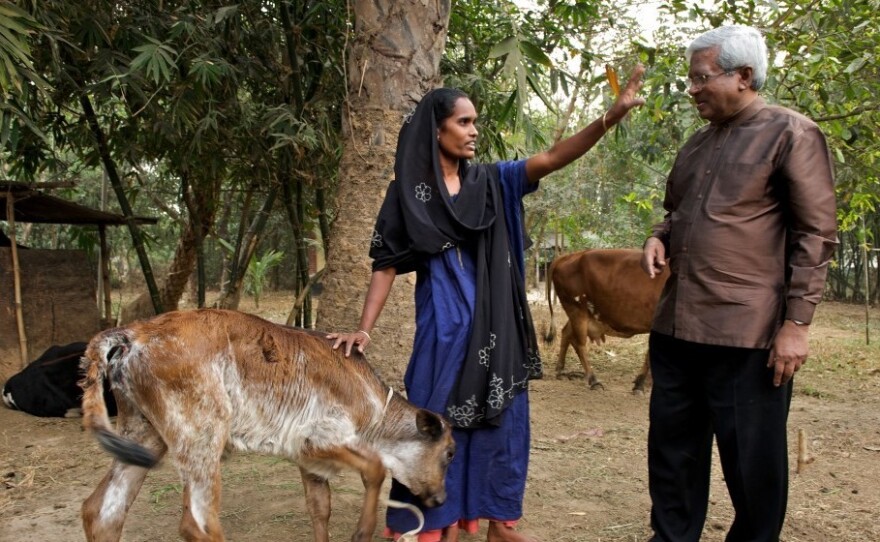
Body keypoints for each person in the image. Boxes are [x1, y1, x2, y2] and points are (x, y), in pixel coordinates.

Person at [328, 66, 645, 542]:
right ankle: (426, 523)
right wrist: (364, 328)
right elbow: (386, 264)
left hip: (500, 331)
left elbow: (555, 156)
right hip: (443, 331)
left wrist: (610, 117)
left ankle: (495, 520)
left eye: (475, 122)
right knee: (433, 426)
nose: (474, 131)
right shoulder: (410, 196)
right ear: (436, 129)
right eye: (464, 122)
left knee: (501, 426)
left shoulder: (494, 182)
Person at [640, 25, 838, 542]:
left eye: (702, 78)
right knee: (671, 459)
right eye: (691, 79)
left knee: (754, 469)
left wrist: (796, 324)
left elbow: (816, 234)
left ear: (744, 76)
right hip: (677, 327)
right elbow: (677, 213)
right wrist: (658, 236)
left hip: (746, 337)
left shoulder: (791, 134)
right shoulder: (696, 144)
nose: (693, 89)